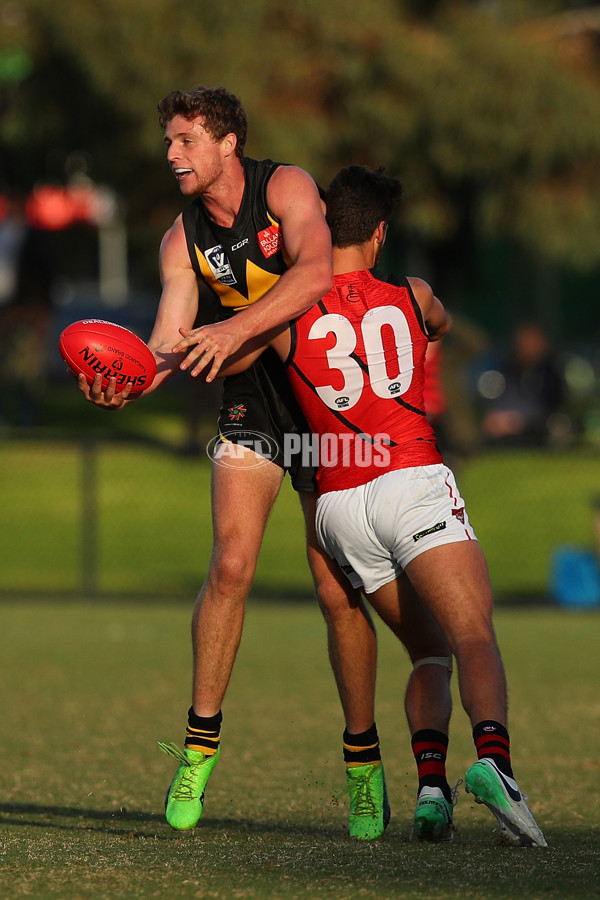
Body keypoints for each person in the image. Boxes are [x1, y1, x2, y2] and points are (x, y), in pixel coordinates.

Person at [77, 86, 454, 842]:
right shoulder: (180, 239)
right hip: (249, 392)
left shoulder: (284, 187)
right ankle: (198, 749)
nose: (173, 154)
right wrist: (128, 380)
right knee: (231, 564)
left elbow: (315, 272)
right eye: (170, 143)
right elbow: (168, 342)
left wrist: (236, 327)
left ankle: (361, 762)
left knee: (334, 585)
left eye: (185, 140)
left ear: (226, 143)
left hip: (319, 393)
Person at [213, 165, 547, 848]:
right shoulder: (413, 290)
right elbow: (439, 322)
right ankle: (496, 767)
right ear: (382, 232)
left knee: (428, 650)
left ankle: (430, 790)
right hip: (409, 479)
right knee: (473, 634)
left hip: (338, 507)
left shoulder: (288, 306)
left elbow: (227, 356)